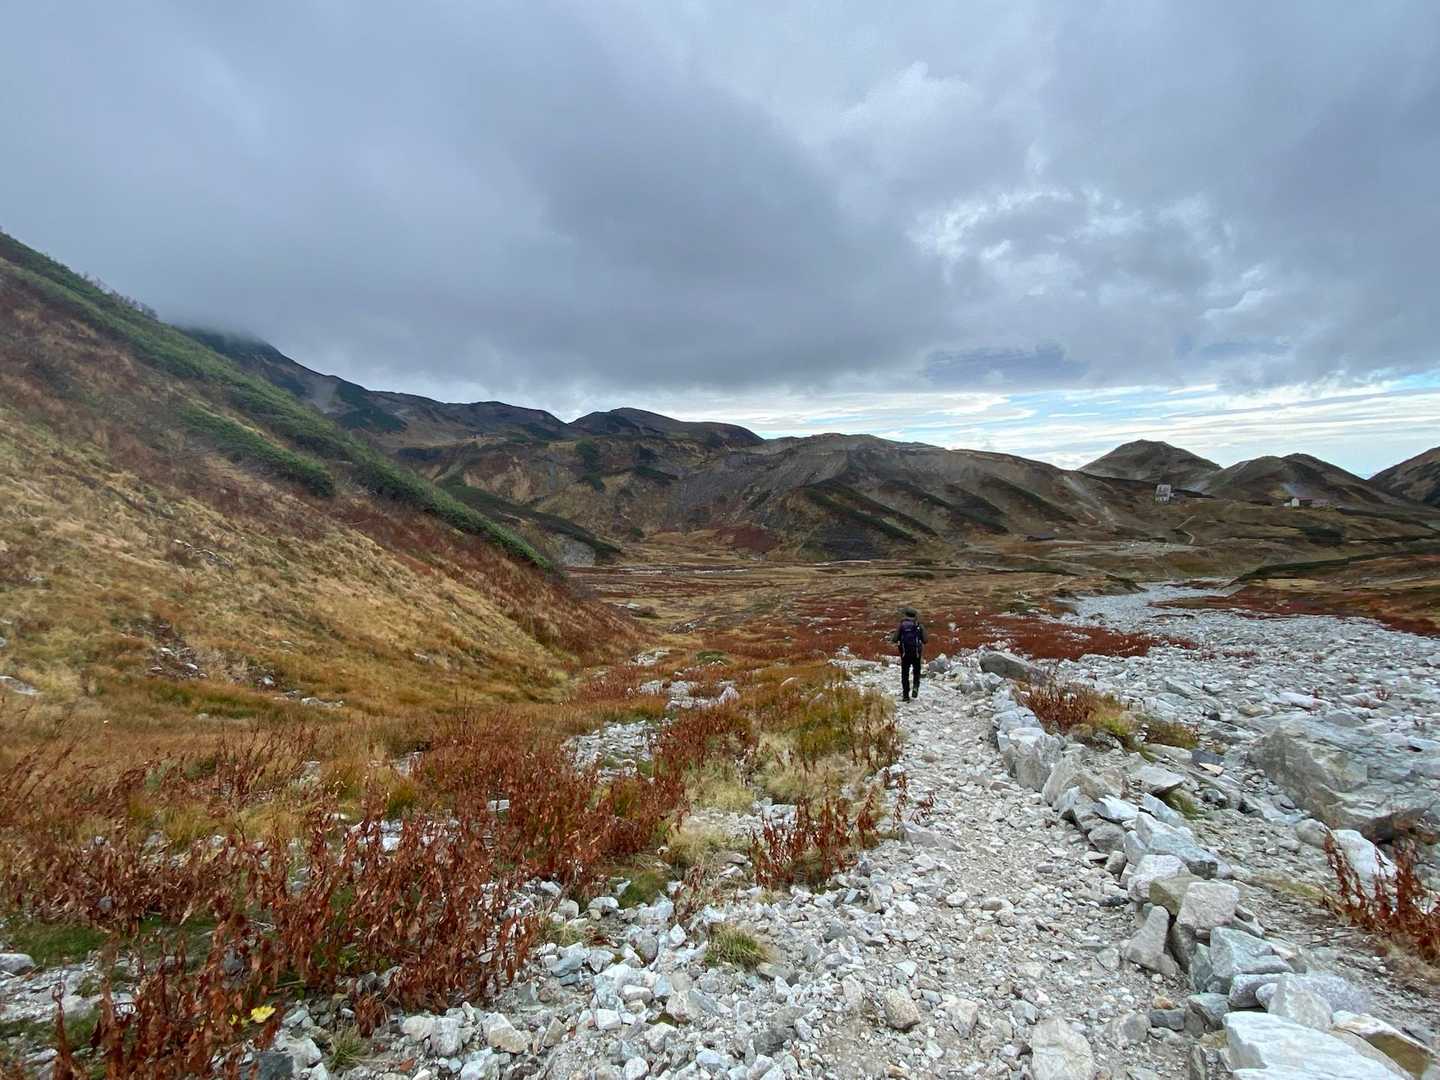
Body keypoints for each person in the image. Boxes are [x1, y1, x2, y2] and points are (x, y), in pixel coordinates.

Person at [890, 606, 927, 702]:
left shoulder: (901, 625)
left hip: (905, 654)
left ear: (905, 614)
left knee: (905, 674)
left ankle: (905, 695)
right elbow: (925, 640)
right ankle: (915, 687)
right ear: (915, 615)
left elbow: (894, 639)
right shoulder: (919, 625)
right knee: (916, 671)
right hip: (916, 654)